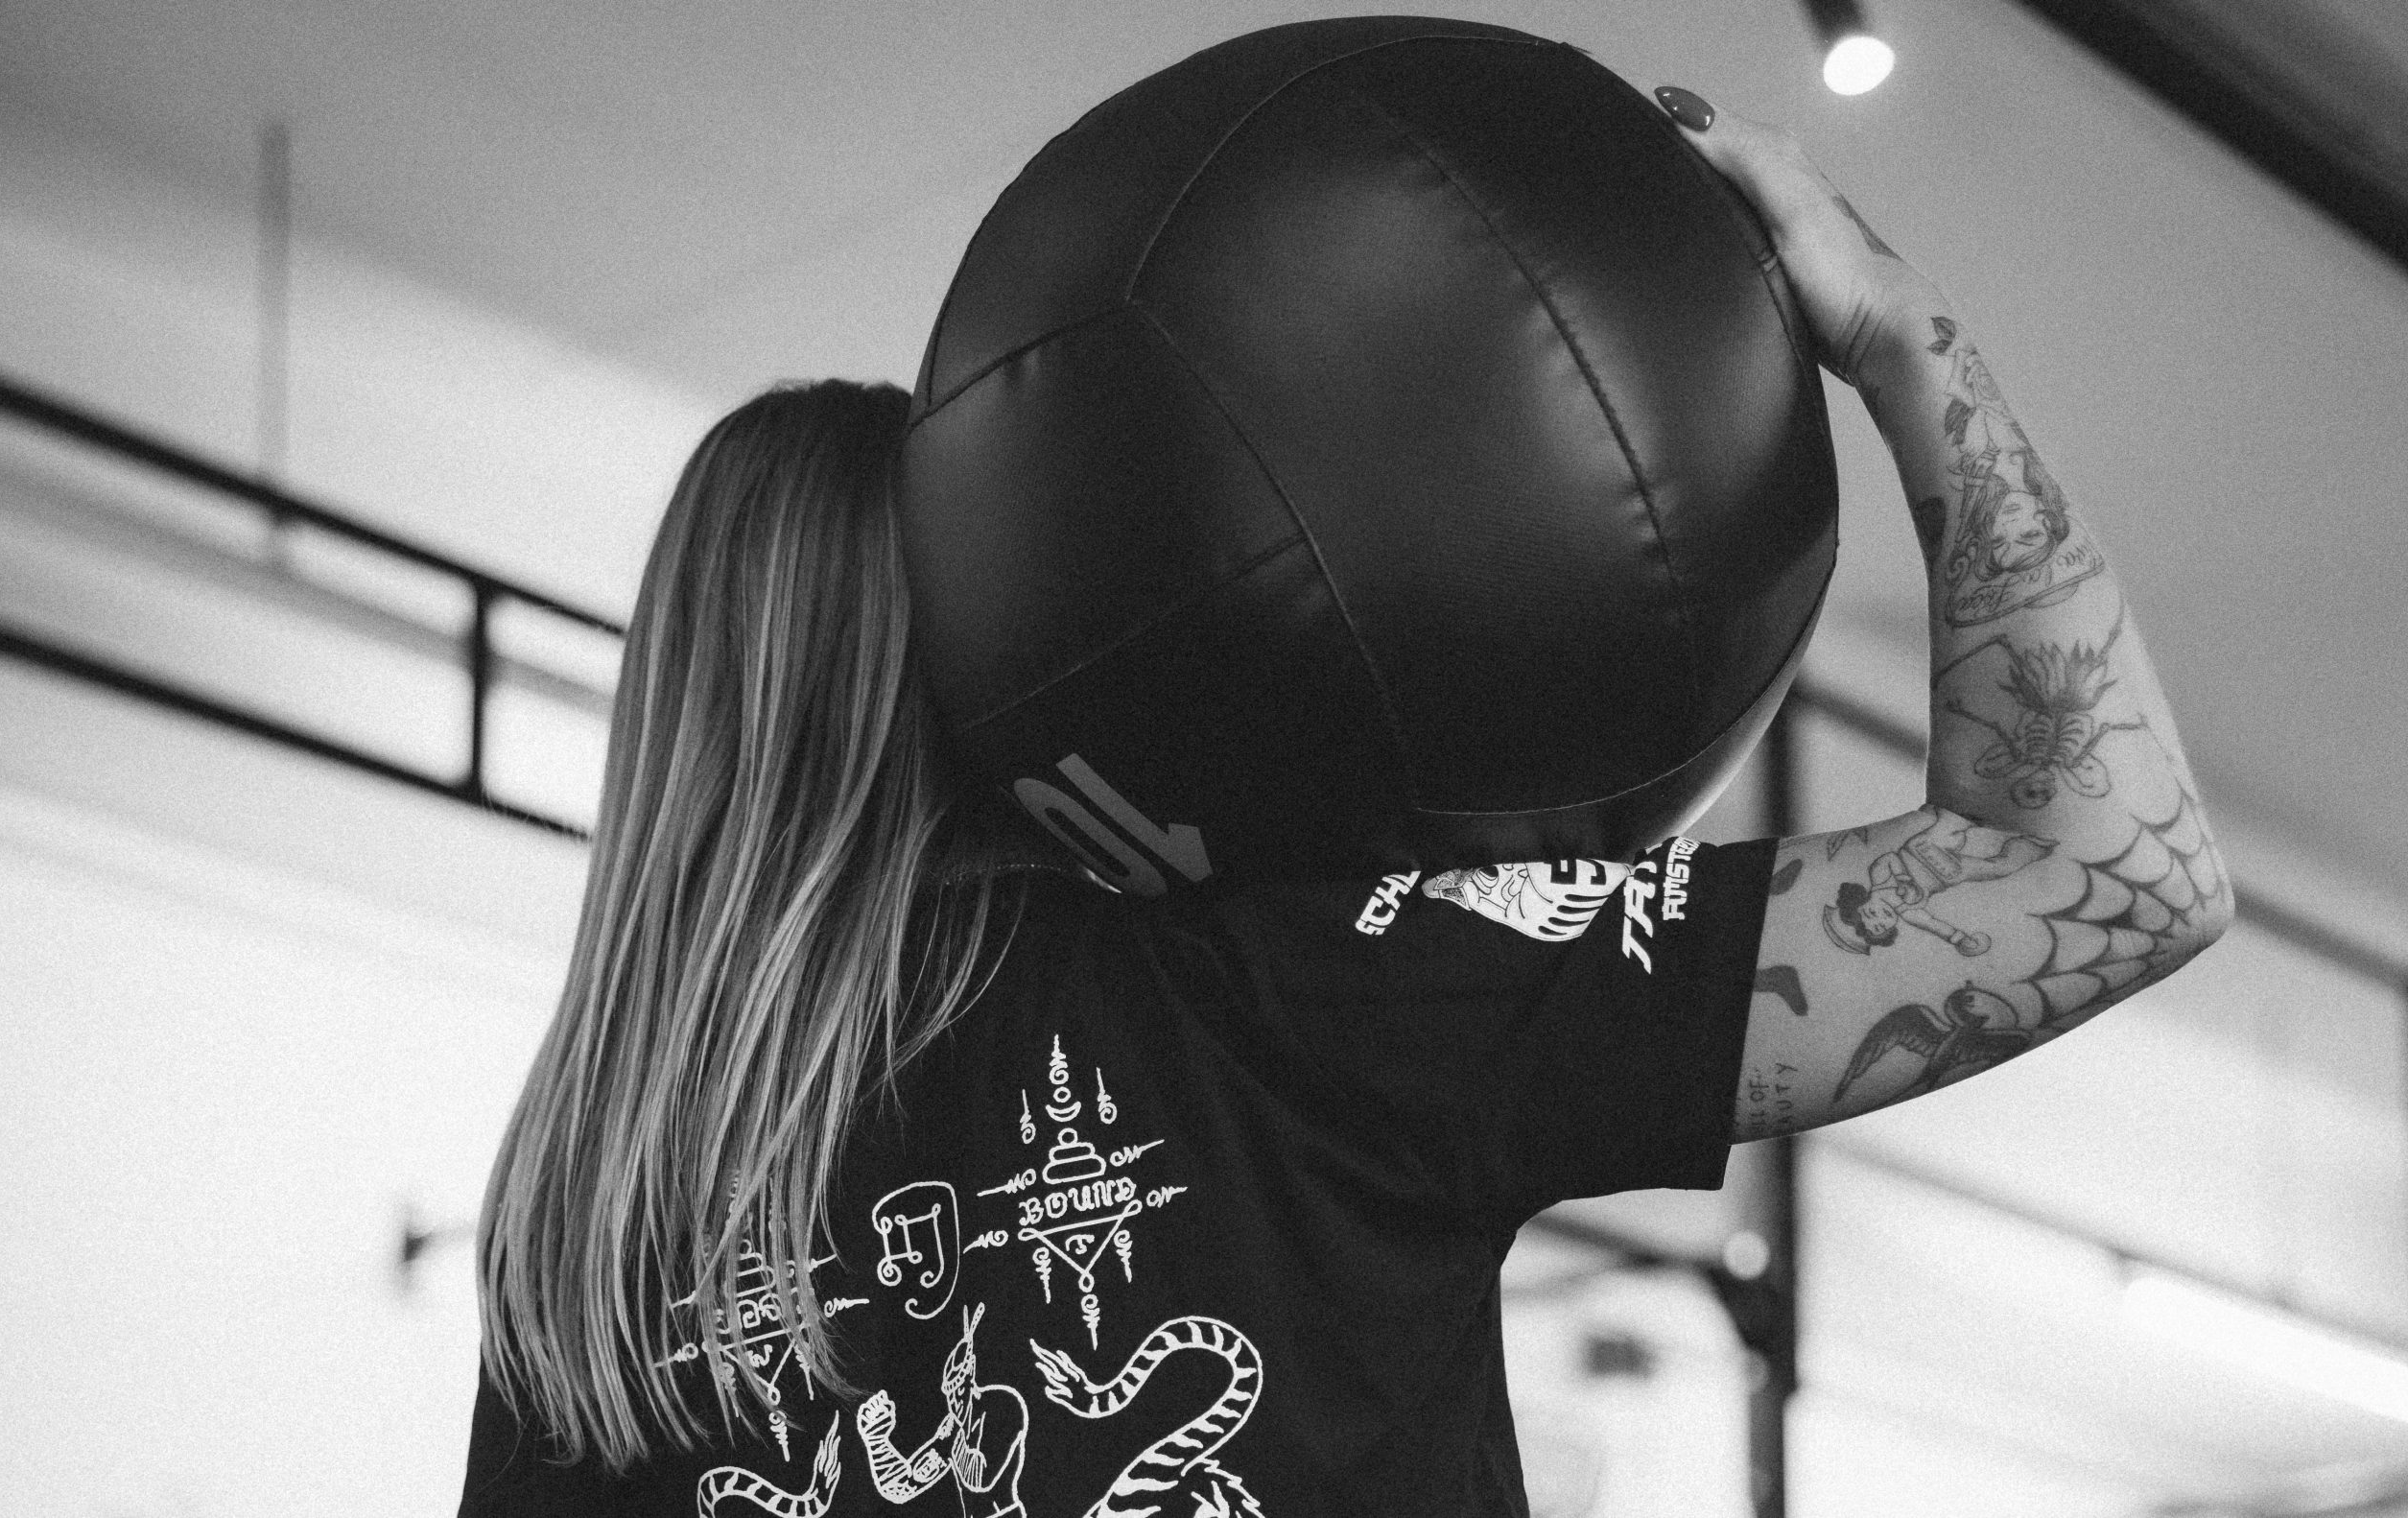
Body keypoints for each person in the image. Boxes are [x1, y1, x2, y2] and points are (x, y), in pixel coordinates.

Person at [458, 84, 2231, 1517]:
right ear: (1011, 620)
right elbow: (2093, 862)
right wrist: (1896, 326)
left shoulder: (579, 1244)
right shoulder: (1295, 998)